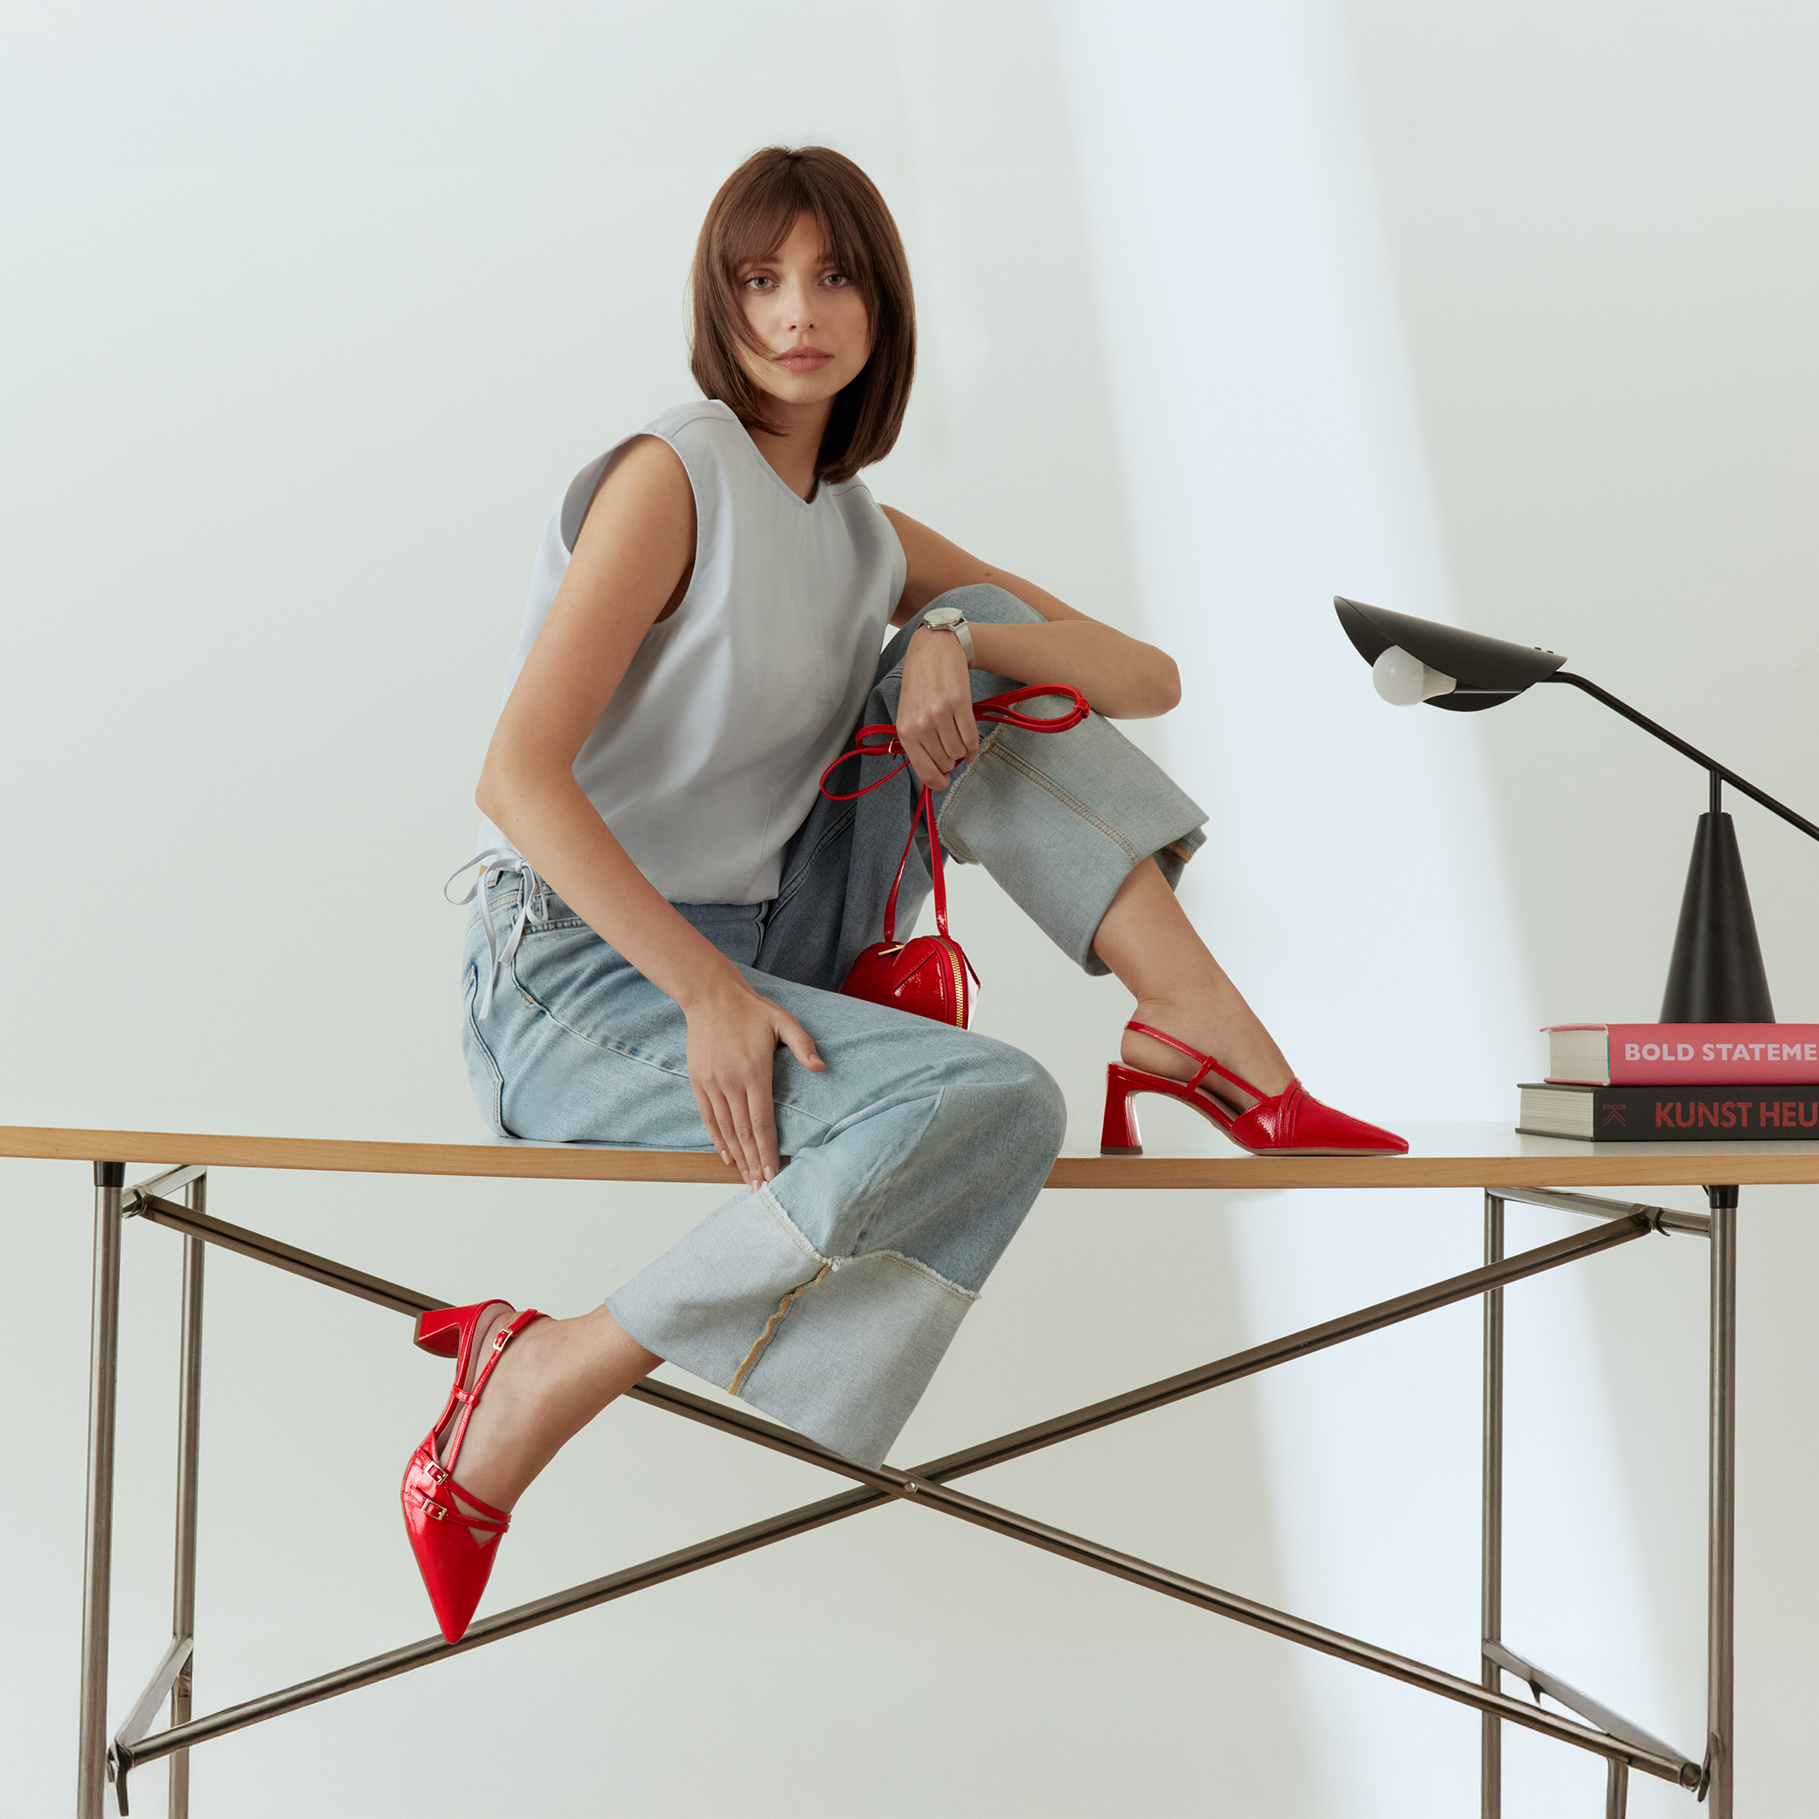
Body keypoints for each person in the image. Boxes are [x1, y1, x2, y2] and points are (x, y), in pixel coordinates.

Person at [407, 145, 1406, 1646]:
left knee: (991, 626)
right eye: (761, 280)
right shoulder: (670, 476)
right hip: (581, 980)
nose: (798, 312)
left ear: (882, 301)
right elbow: (518, 779)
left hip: (770, 938)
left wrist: (949, 635)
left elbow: (1147, 673)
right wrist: (706, 992)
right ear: (719, 302)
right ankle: (540, 1375)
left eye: (833, 276)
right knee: (997, 1101)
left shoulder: (863, 528)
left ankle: (1193, 1015)